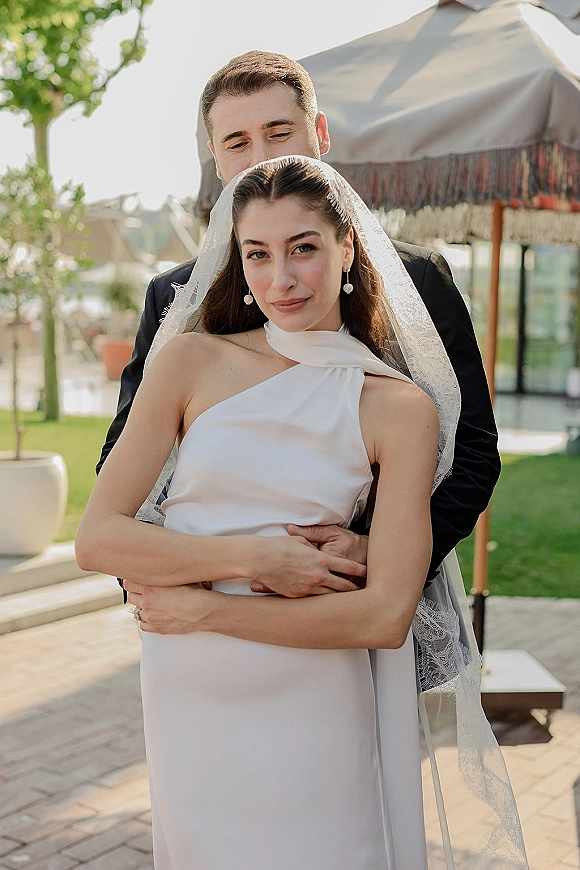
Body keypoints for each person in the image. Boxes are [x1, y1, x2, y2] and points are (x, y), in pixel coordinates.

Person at [77, 157, 527, 869]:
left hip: (316, 697)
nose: (279, 280)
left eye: (304, 249)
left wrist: (212, 612)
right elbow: (99, 539)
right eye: (257, 254)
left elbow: (384, 617)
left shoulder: (397, 408)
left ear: (348, 248)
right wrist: (259, 560)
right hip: (190, 698)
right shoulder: (190, 362)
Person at [96, 51, 500, 622]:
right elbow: (124, 464)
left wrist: (375, 554)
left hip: (355, 599)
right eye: (237, 142)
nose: (261, 158)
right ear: (215, 156)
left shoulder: (417, 279)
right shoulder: (173, 298)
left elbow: (473, 451)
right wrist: (161, 581)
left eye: (279, 132)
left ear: (320, 133)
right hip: (198, 608)